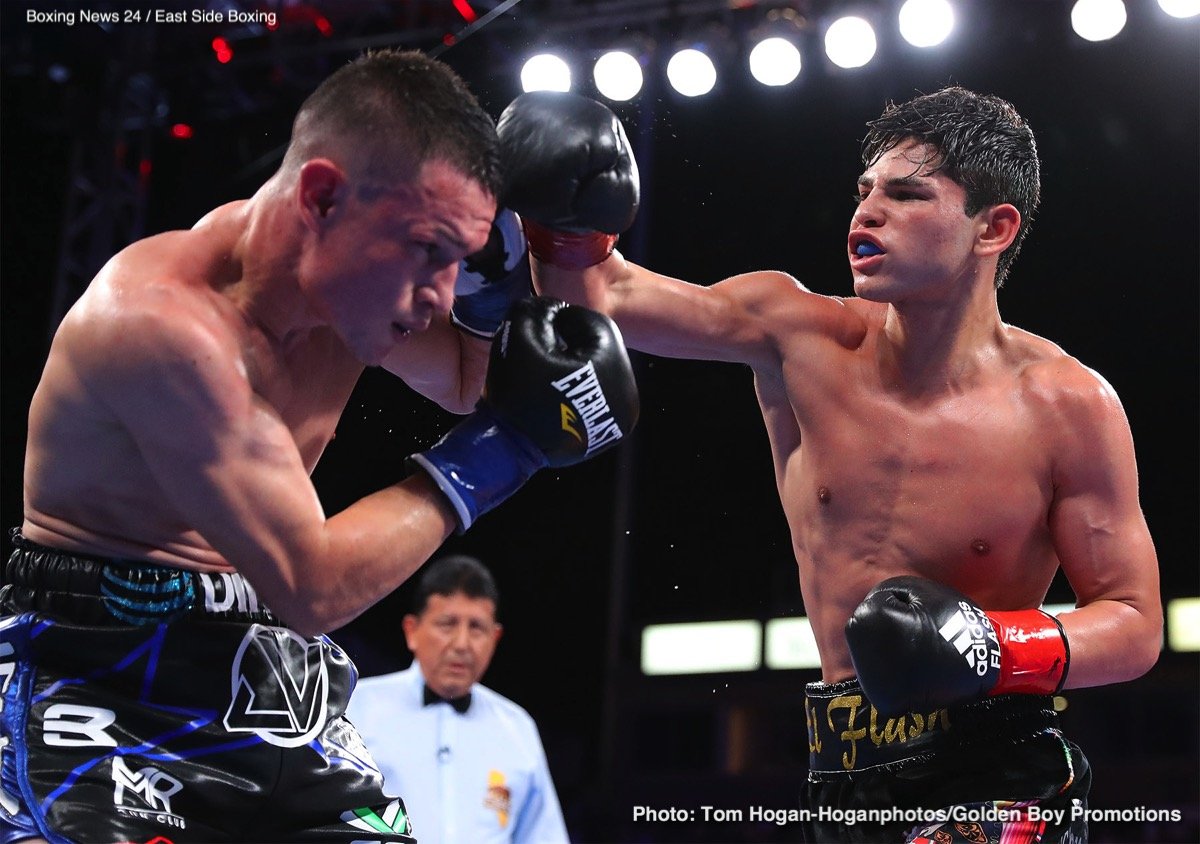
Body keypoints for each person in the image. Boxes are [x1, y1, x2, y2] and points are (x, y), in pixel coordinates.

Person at [0, 49, 637, 843]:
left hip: (270, 677)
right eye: (431, 251)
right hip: (100, 677)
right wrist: (506, 449)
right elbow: (316, 586)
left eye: (461, 261)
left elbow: (472, 386)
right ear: (323, 197)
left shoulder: (352, 293)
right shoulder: (159, 327)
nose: (440, 293)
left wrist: (542, 260)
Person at [494, 88, 1163, 843]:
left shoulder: (1067, 406)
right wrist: (564, 222)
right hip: (840, 770)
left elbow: (1135, 625)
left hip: (1002, 763)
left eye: (905, 194)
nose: (866, 213)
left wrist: (991, 646)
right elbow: (602, 297)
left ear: (993, 228)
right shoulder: (795, 334)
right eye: (864, 191)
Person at [347, 555, 570, 844]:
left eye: (476, 627)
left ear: (495, 638)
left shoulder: (517, 729)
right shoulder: (355, 710)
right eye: (447, 624)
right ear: (412, 631)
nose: (462, 644)